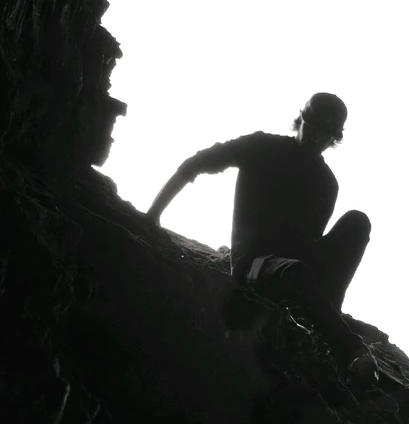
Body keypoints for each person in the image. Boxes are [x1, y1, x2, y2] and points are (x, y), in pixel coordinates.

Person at [147, 93, 377, 379]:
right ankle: (351, 350)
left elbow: (311, 243)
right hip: (255, 264)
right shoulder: (261, 146)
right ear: (300, 120)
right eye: (312, 127)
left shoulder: (327, 183)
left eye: (325, 133)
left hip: (296, 267)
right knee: (293, 271)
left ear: (335, 138)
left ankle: (328, 317)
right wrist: (153, 214)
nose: (316, 137)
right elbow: (195, 164)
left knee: (357, 222)